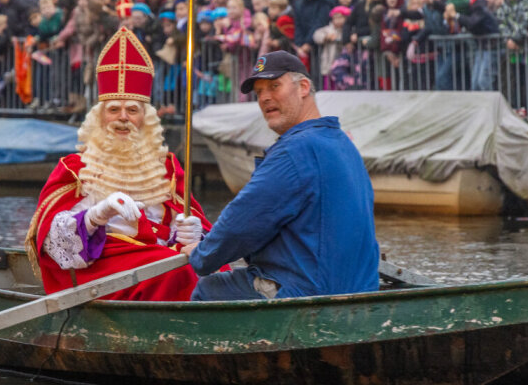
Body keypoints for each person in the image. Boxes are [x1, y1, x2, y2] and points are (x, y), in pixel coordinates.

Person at [25, 27, 212, 302]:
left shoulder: (167, 168)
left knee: (218, 268)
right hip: (103, 265)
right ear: (100, 118)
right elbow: (51, 241)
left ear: (145, 119)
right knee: (175, 273)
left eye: (132, 110)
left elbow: (187, 228)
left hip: (158, 257)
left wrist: (191, 232)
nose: (123, 118)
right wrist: (96, 215)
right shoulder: (76, 168)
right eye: (114, 110)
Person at [181, 50, 380, 301]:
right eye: (259, 92)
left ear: (304, 87)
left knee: (209, 289)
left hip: (310, 296)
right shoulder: (342, 142)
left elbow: (242, 222)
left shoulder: (294, 150)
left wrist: (202, 255)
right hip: (361, 293)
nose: (265, 98)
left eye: (274, 86)